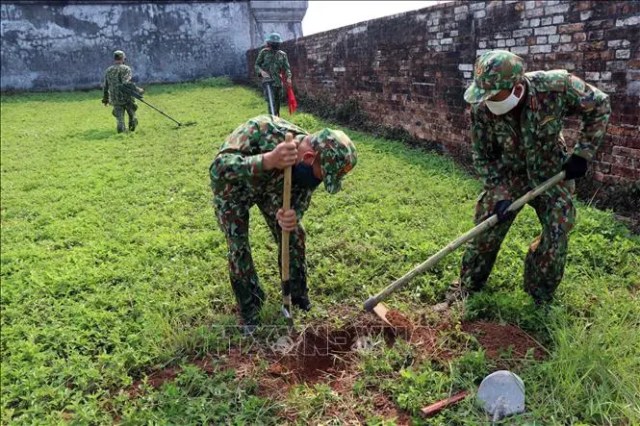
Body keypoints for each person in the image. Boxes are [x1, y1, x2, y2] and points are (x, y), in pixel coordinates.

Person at [446, 50, 610, 308]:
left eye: (493, 94)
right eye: (484, 94)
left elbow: (599, 104)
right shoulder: (481, 109)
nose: (487, 100)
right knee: (486, 228)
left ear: (516, 85)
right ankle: (467, 288)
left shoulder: (556, 86)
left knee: (557, 234)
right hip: (509, 174)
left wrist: (582, 154)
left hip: (553, 172)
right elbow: (482, 156)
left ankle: (539, 296)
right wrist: (499, 193)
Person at [210, 115, 357, 333]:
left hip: (273, 191)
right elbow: (218, 168)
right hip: (234, 189)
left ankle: (296, 295)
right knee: (238, 247)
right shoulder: (261, 129)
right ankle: (251, 307)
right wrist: (268, 160)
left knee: (294, 234)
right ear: (309, 157)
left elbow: (303, 195)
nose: (319, 181)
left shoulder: (310, 168)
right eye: (322, 176)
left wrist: (294, 214)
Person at [102, 50, 144, 133]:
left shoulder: (108, 70)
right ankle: (132, 122)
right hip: (127, 97)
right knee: (131, 112)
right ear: (123, 58)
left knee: (119, 118)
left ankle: (121, 128)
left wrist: (105, 99)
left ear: (115, 59)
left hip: (115, 97)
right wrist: (138, 90)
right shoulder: (126, 69)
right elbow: (126, 83)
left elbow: (105, 86)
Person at [254, 32, 292, 116]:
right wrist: (261, 72)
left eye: (276, 43)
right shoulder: (264, 52)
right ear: (269, 43)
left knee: (277, 102)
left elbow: (286, 68)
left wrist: (289, 77)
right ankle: (272, 119)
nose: (275, 45)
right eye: (273, 43)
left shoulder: (282, 54)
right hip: (268, 81)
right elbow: (257, 65)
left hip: (278, 82)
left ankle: (276, 117)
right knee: (271, 102)